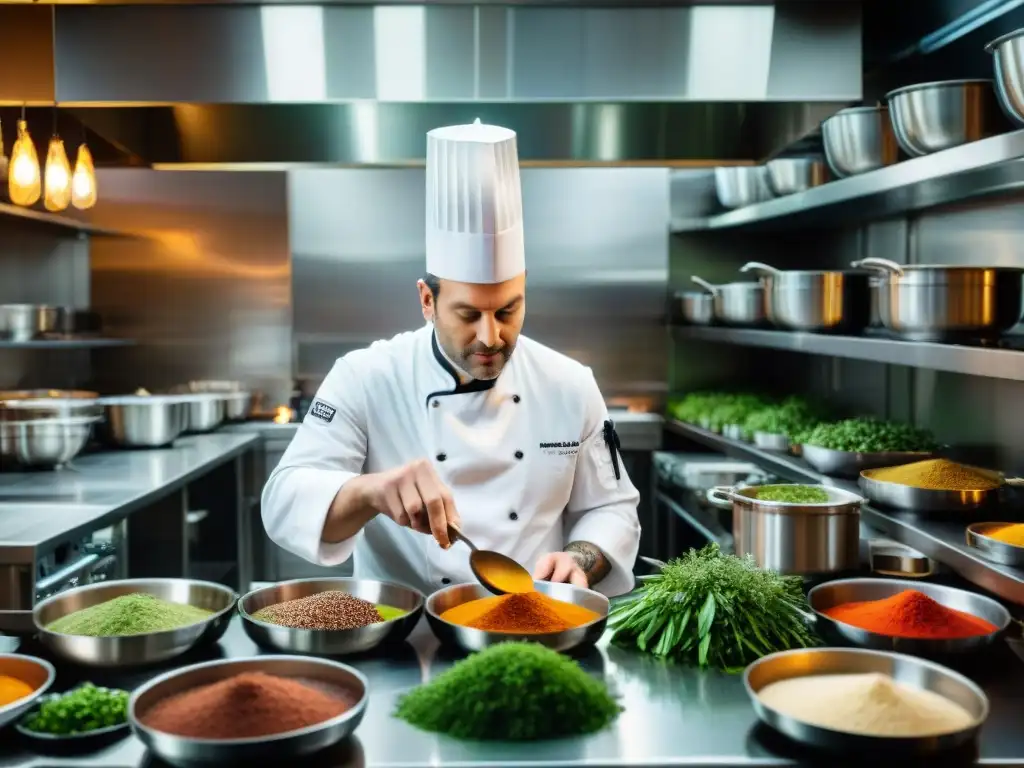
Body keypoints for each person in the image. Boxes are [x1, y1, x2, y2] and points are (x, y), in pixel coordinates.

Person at [262, 120, 641, 597]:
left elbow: (612, 507)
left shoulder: (569, 384)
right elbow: (283, 501)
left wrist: (581, 558)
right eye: (468, 314)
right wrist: (370, 492)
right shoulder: (366, 378)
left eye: (509, 310)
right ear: (427, 301)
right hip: (406, 635)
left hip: (535, 630)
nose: (491, 336)